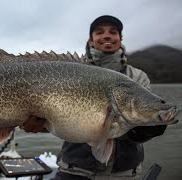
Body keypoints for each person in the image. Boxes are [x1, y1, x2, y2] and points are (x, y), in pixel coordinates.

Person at [20, 15, 167, 180]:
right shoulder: (71, 72)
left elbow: (140, 116)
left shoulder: (137, 77)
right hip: (73, 170)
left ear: (120, 39)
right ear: (91, 40)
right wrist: (39, 126)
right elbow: (58, 117)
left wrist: (144, 131)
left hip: (125, 173)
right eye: (99, 32)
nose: (107, 35)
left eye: (113, 32)